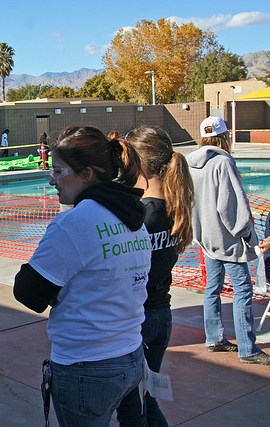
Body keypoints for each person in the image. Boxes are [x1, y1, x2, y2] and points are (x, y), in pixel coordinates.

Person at [13, 125, 150, 426]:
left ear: (87, 174)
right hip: (132, 355)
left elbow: (28, 292)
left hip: (86, 364)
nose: (52, 180)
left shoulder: (74, 224)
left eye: (59, 171)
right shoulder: (134, 217)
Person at [116, 126, 195, 426]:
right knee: (146, 401)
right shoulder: (176, 208)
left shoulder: (141, 215)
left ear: (138, 163)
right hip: (162, 314)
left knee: (132, 407)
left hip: (140, 319)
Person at [187, 116, 270, 365]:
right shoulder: (223, 162)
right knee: (242, 291)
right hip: (228, 240)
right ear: (226, 136)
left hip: (205, 238)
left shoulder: (189, 163)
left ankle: (214, 338)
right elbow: (231, 205)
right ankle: (247, 348)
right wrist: (245, 232)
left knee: (212, 288)